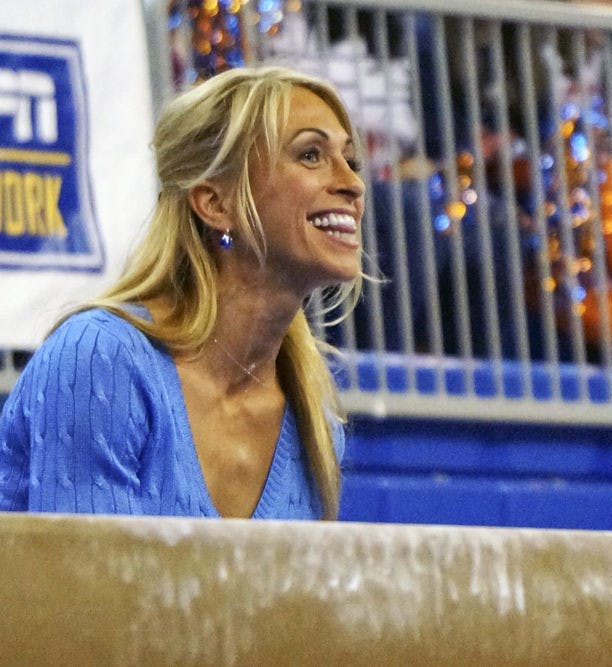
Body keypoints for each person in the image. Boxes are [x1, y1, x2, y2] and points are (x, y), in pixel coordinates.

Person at [0, 66, 366, 520]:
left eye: (351, 159)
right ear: (216, 203)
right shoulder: (101, 360)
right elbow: (88, 589)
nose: (353, 183)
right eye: (311, 155)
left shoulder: (315, 420)